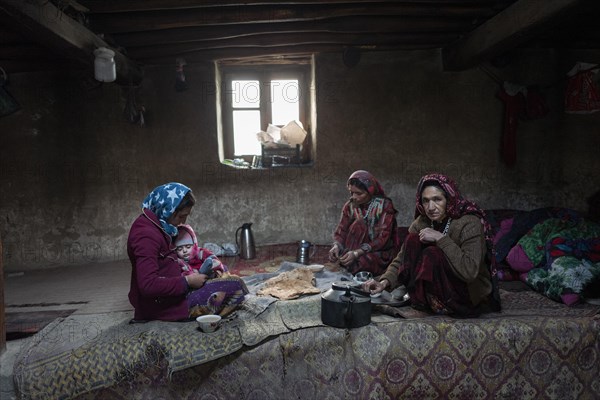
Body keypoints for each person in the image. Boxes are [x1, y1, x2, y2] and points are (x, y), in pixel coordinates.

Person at [364, 173, 501, 317]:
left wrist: (441, 238)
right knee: (412, 240)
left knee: (432, 254)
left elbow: (469, 271)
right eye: (425, 201)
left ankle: (438, 305)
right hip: (434, 293)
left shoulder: (469, 223)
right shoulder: (422, 222)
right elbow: (402, 258)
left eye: (437, 199)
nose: (431, 207)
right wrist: (384, 283)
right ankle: (422, 302)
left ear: (449, 199)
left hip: (465, 292)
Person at [127, 182, 248, 322]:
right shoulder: (146, 236)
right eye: (181, 216)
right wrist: (187, 282)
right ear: (168, 210)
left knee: (225, 276)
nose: (183, 222)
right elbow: (147, 286)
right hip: (164, 305)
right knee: (235, 287)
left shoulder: (158, 224)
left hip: (176, 291)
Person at [329, 170, 401, 275]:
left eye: (359, 193)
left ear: (370, 191)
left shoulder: (384, 206)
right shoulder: (350, 206)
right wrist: (336, 246)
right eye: (351, 192)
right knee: (356, 227)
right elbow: (342, 229)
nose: (354, 197)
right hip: (352, 251)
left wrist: (358, 252)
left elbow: (382, 239)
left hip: (378, 252)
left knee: (363, 263)